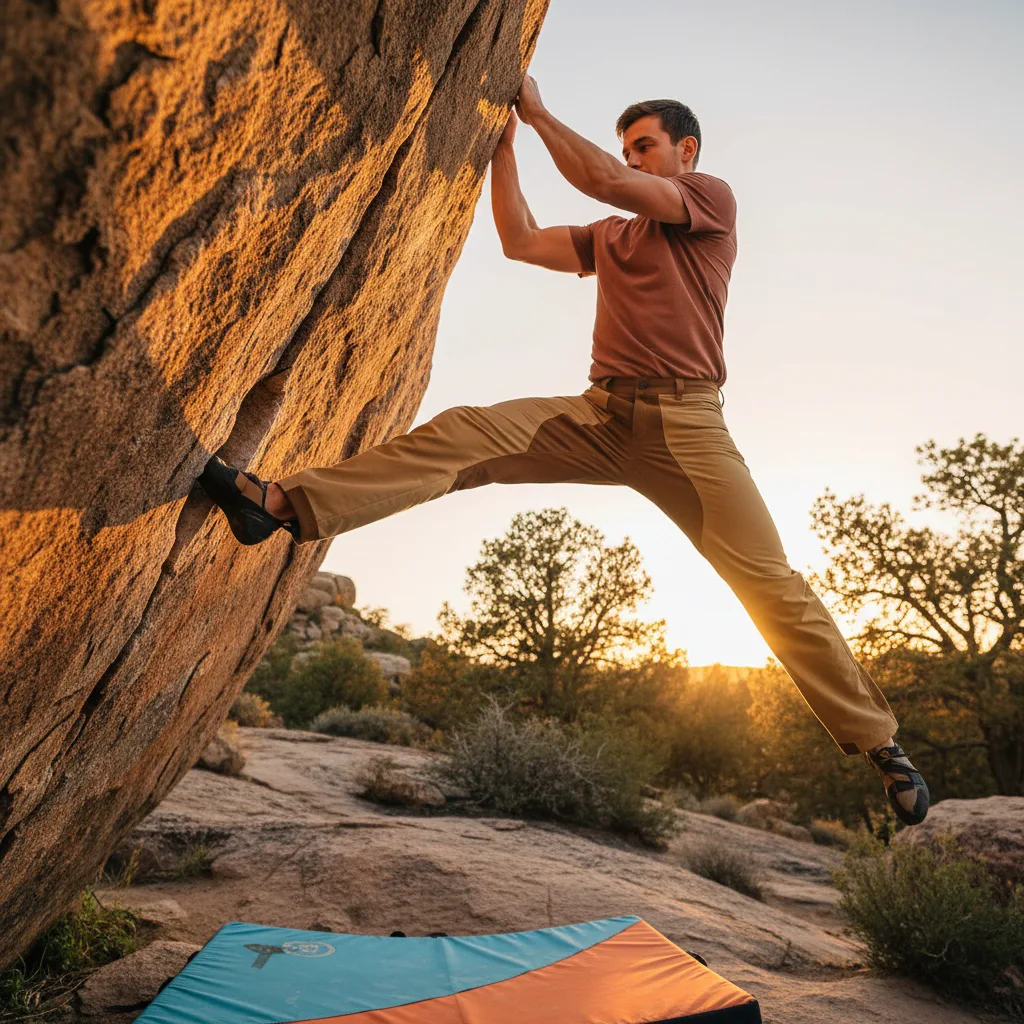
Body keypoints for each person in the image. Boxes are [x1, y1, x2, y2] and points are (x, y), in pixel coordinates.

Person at [199, 76, 929, 826]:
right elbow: (519, 241)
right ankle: (279, 506)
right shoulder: (611, 238)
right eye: (628, 150)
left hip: (689, 428)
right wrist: (505, 151)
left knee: (769, 584)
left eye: (646, 147)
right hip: (599, 416)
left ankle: (879, 746)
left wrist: (540, 113)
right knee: (465, 436)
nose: (634, 161)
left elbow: (604, 180)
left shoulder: (711, 202)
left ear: (687, 151)